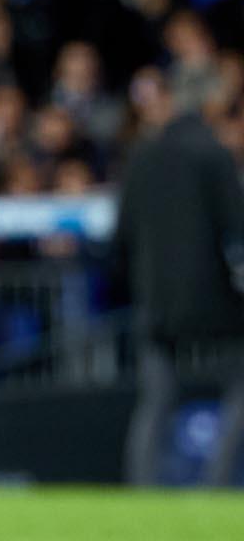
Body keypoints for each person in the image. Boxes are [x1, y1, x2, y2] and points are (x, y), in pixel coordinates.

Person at [116, 69, 244, 486]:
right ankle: (220, 482)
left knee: (156, 400)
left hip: (154, 302)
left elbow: (121, 237)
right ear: (208, 107)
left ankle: (143, 487)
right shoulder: (213, 154)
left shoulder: (142, 155)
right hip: (213, 304)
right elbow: (236, 229)